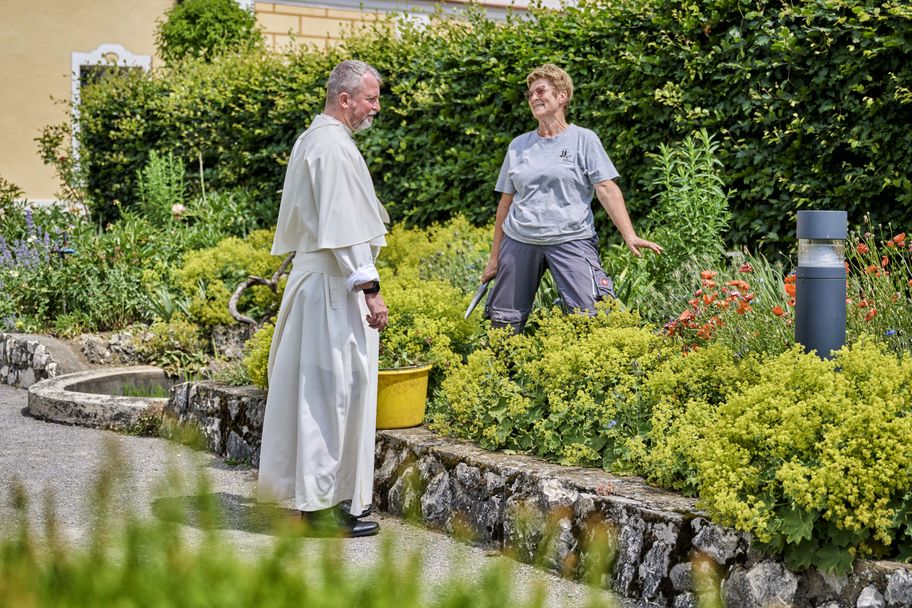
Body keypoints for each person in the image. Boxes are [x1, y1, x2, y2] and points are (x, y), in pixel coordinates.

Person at [257, 60, 389, 538]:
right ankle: (321, 508)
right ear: (345, 98)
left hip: (321, 283)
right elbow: (345, 229)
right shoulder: (331, 146)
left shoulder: (314, 139)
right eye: (371, 98)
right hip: (335, 287)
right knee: (329, 395)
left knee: (324, 393)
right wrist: (370, 289)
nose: (376, 107)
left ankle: (326, 500)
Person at [482, 64, 662, 333]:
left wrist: (629, 234)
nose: (533, 97)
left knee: (591, 317)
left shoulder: (584, 140)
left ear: (562, 96)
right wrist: (494, 257)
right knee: (504, 324)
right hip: (520, 241)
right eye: (530, 94)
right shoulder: (518, 145)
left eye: (541, 91)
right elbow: (505, 204)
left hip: (571, 239)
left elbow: (606, 189)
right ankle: (499, 375)